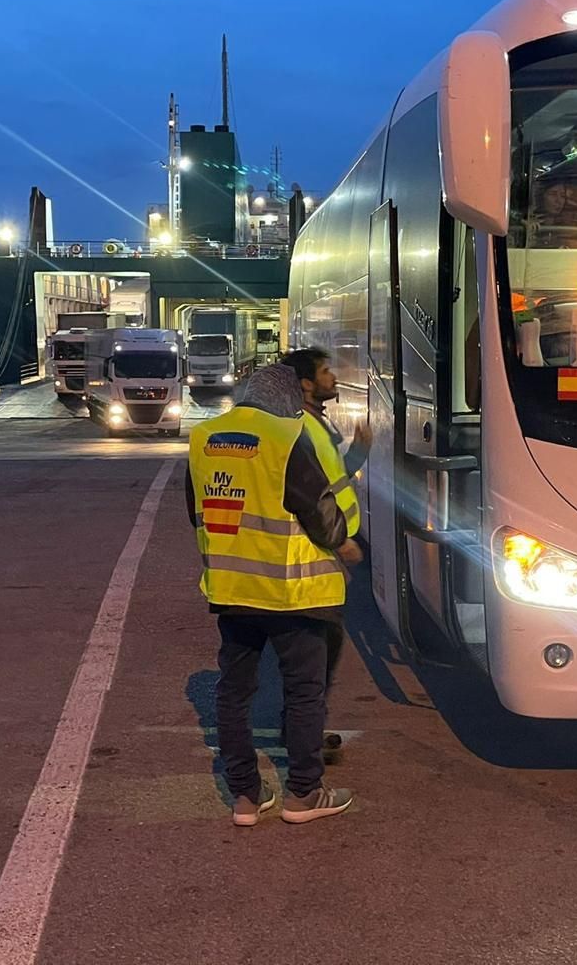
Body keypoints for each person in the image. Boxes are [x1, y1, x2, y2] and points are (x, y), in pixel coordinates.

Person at [185, 364, 363, 827]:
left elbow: (196, 510)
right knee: (304, 692)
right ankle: (303, 794)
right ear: (285, 398)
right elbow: (319, 511)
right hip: (292, 593)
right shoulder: (287, 437)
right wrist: (345, 543)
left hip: (231, 588)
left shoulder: (204, 437)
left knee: (233, 692)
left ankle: (245, 795)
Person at [281, 347, 372, 758]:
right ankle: (304, 735)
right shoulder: (301, 427)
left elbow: (330, 479)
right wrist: (339, 542)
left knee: (320, 649)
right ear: (304, 383)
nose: (333, 377)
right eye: (325, 371)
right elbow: (310, 495)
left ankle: (303, 726)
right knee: (317, 650)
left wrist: (358, 453)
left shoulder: (317, 424)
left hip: (324, 549)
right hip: (313, 552)